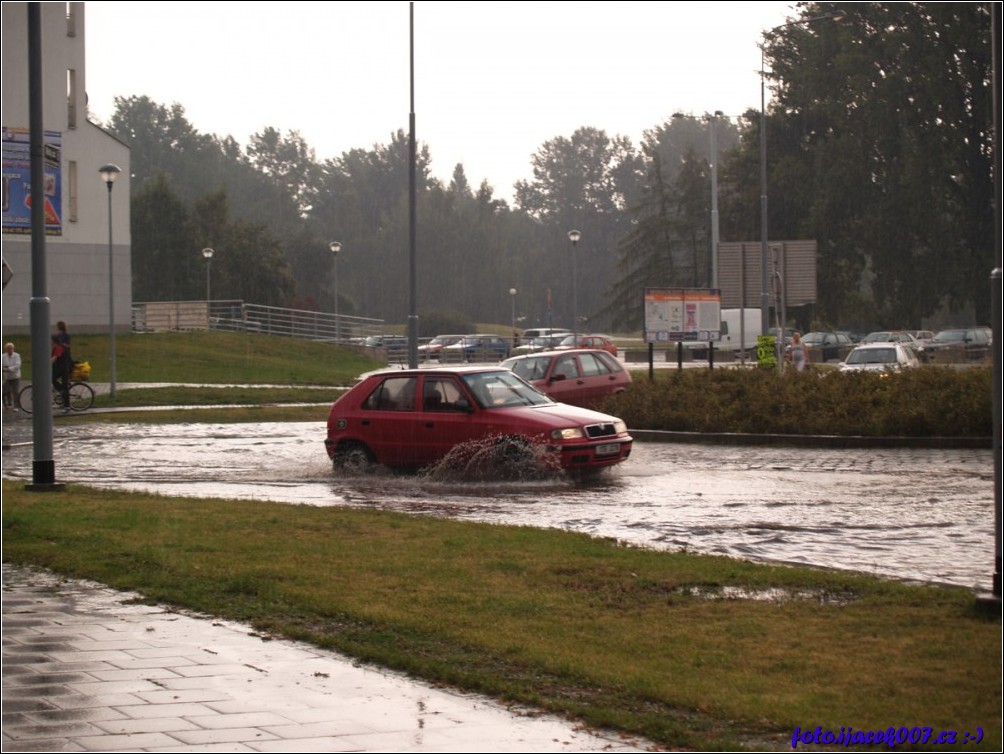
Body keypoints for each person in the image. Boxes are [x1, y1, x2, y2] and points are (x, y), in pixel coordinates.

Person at [51, 334, 72, 411]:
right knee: (53, 379)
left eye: (51, 341)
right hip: (63, 368)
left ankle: (67, 406)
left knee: (64, 387)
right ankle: (61, 391)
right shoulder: (59, 346)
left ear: (54, 341)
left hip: (63, 369)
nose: (50, 342)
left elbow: (55, 358)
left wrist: (45, 364)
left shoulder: (58, 347)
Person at [3, 342, 22, 411]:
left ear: (13, 349)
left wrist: (8, 369)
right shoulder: (3, 356)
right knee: (5, 390)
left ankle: (16, 406)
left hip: (15, 377)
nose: (9, 349)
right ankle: (8, 403)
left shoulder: (17, 355)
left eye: (10, 348)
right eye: (8, 348)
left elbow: (17, 366)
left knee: (15, 392)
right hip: (7, 377)